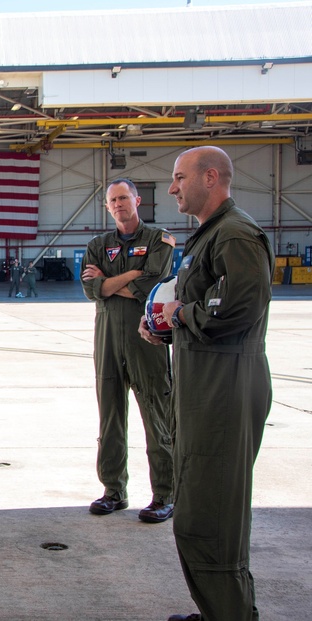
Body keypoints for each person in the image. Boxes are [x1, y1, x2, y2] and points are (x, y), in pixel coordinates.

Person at [140, 146, 274, 621]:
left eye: (179, 178)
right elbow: (200, 304)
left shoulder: (235, 236)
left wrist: (181, 315)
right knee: (198, 512)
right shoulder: (208, 235)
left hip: (225, 390)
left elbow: (238, 309)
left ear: (210, 177)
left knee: (212, 521)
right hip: (205, 387)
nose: (172, 188)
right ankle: (219, 612)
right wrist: (168, 325)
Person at [80, 178, 176, 524]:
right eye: (112, 200)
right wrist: (129, 276)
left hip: (145, 338)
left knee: (156, 415)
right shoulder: (97, 245)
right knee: (110, 417)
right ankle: (114, 491)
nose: (119, 204)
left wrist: (109, 281)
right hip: (107, 340)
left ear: (137, 200)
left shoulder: (158, 239)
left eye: (124, 198)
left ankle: (165, 494)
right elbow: (92, 290)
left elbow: (151, 285)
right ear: (107, 207)